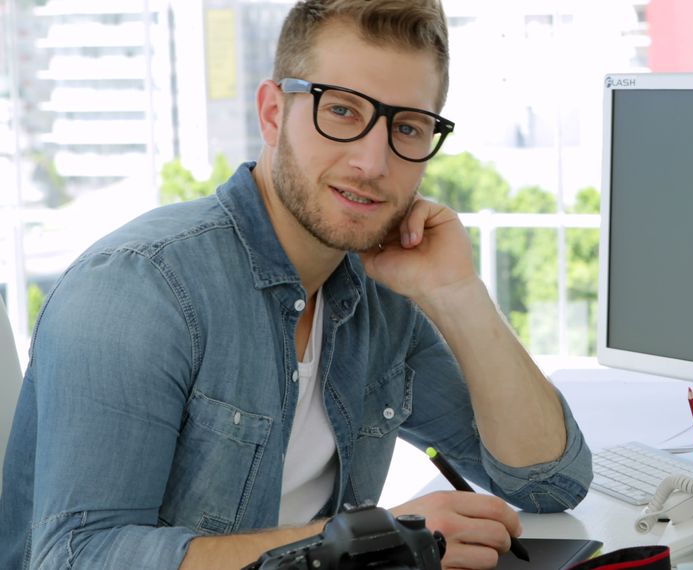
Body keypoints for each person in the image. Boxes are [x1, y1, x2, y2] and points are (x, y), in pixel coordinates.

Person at [0, 1, 593, 569]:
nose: (372, 161)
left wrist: (458, 294)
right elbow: (77, 558)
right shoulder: (139, 290)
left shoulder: (381, 295)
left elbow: (549, 483)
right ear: (272, 113)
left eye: (408, 128)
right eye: (341, 111)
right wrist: (369, 545)